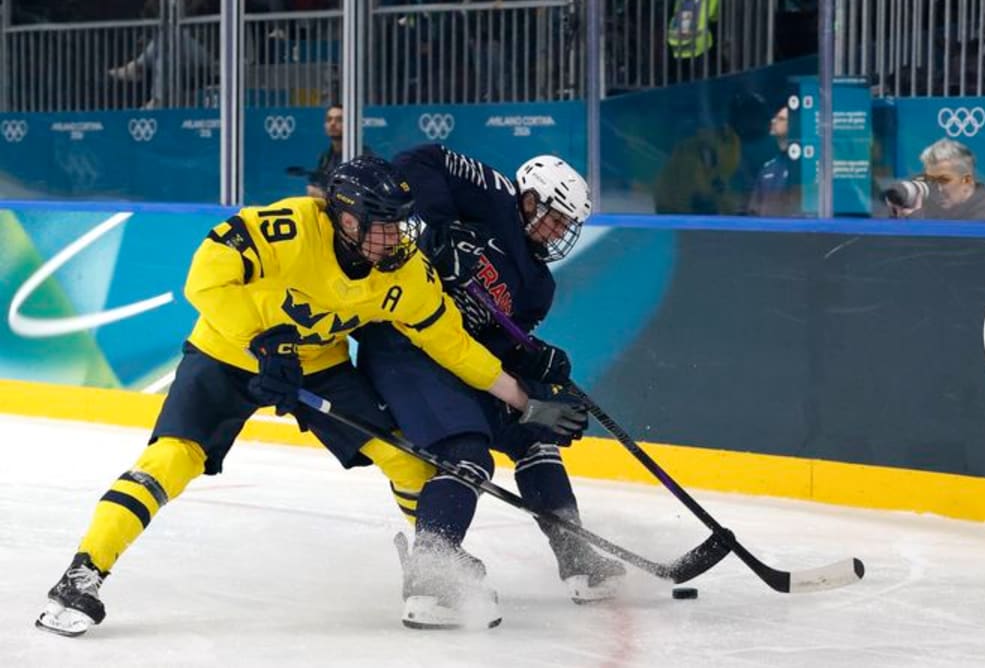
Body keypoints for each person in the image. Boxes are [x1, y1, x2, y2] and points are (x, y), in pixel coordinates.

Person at [34, 156, 587, 637]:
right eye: (383, 228)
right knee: (171, 460)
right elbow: (204, 277)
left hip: (315, 363)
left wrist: (523, 401)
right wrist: (261, 337)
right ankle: (84, 572)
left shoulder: (405, 273)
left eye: (400, 226)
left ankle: (432, 572)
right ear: (346, 220)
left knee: (409, 460)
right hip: (226, 351)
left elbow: (454, 348)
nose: (396, 240)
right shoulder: (291, 228)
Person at [354, 145, 624, 630]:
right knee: (467, 450)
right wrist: (439, 228)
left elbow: (495, 344)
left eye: (568, 226)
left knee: (533, 431)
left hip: (457, 357)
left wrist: (536, 359)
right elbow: (422, 159)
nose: (560, 232)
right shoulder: (493, 194)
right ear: (530, 201)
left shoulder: (539, 286)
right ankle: (432, 576)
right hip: (403, 344)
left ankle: (576, 558)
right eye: (556, 219)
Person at [884, 138, 985, 221]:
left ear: (967, 180)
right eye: (931, 179)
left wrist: (916, 222)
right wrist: (895, 211)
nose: (937, 188)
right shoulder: (929, 189)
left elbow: (952, 257)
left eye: (944, 180)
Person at [746, 104, 799, 216]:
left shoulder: (802, 167)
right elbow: (753, 210)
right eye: (775, 118)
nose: (774, 121)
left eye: (781, 119)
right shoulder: (767, 170)